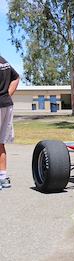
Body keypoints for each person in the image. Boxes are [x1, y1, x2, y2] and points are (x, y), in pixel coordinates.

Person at [0, 56, 19, 190]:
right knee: (0, 142)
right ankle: (3, 177)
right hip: (6, 104)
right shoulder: (3, 61)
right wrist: (7, 94)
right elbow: (16, 77)